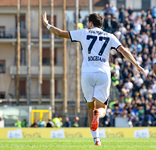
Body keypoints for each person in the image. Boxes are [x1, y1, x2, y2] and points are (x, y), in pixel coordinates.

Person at [42, 12, 146, 146]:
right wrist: (136, 65)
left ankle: (96, 139)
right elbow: (124, 51)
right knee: (102, 108)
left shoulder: (84, 32)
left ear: (91, 23)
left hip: (87, 73)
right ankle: (99, 114)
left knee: (90, 107)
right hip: (103, 73)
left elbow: (60, 33)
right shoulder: (110, 36)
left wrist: (47, 24)